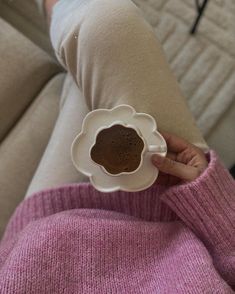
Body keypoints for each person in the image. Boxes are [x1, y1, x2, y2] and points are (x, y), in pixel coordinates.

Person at [0, 0, 234, 293]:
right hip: (176, 223)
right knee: (108, 25)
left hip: (34, 248)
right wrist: (214, 205)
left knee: (88, 69)